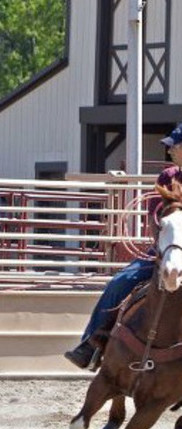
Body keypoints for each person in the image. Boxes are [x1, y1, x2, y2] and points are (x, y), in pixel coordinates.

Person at [65, 122, 182, 369]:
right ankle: (91, 343)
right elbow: (156, 217)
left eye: (175, 146)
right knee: (119, 283)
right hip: (167, 249)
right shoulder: (168, 177)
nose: (170, 152)